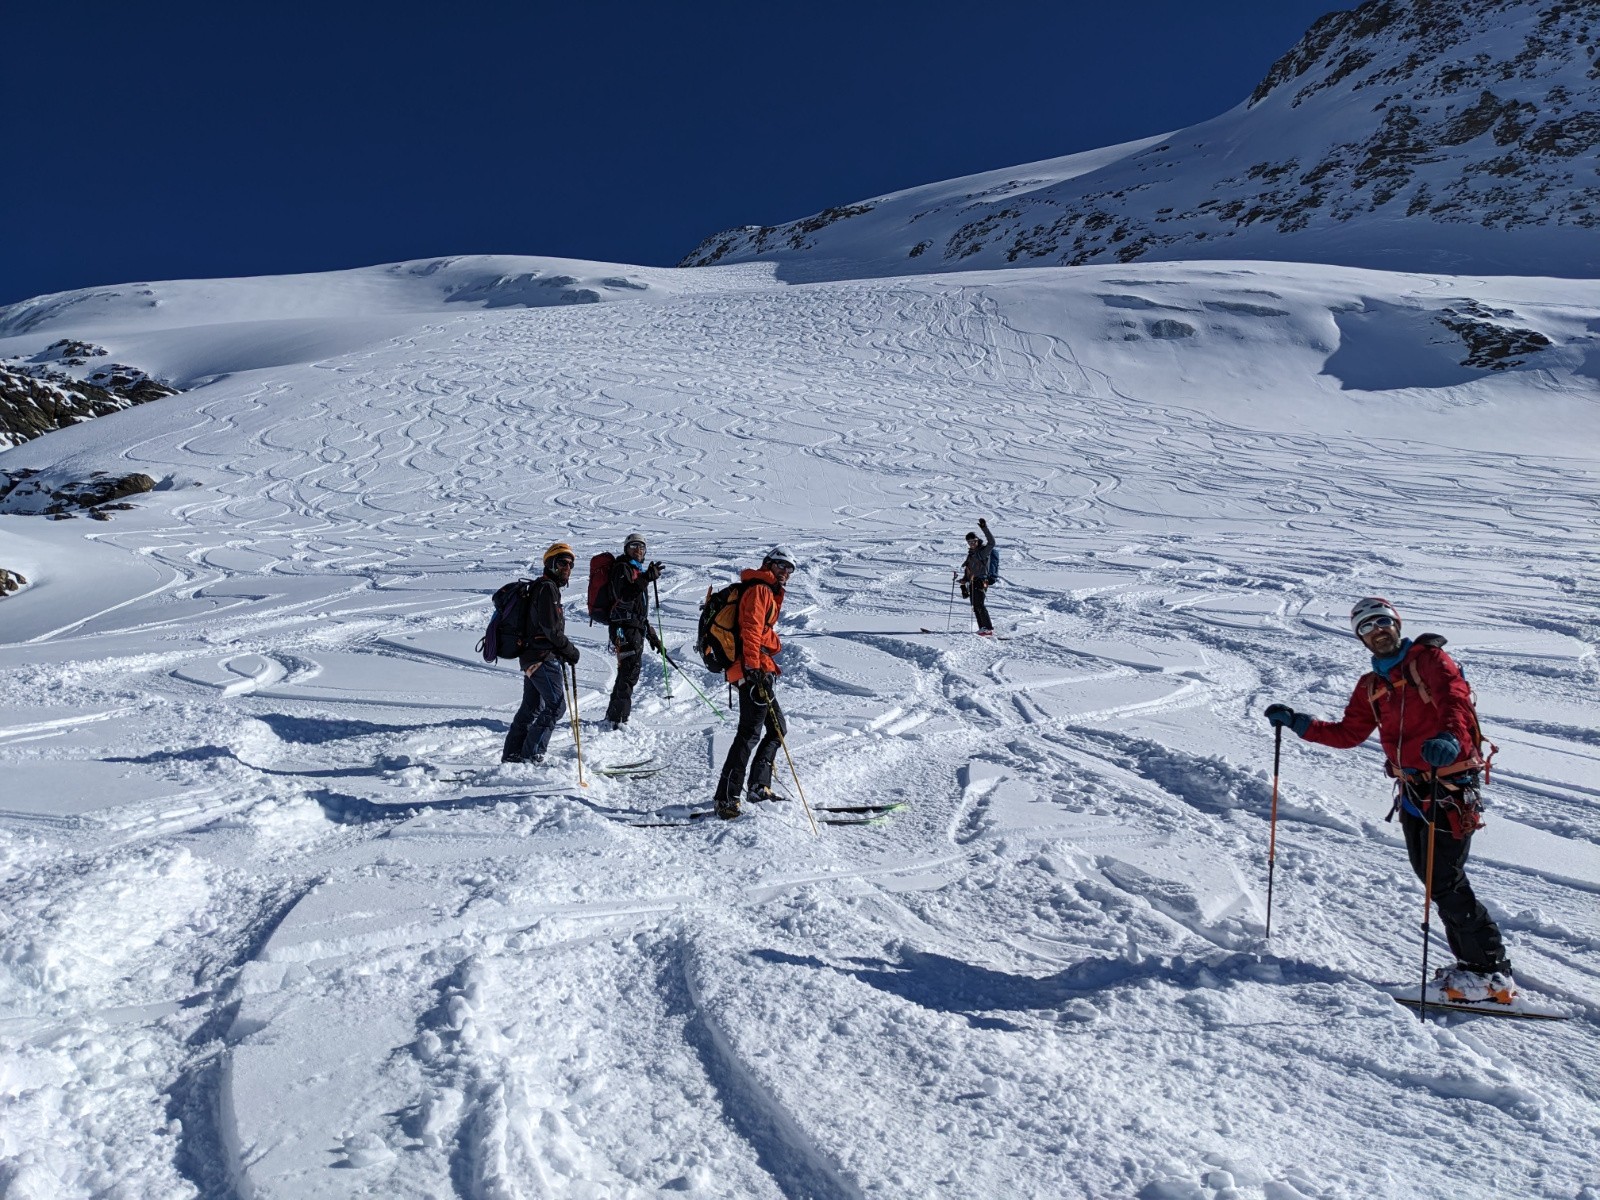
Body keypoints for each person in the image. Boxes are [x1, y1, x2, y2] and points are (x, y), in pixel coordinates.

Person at [1265, 597, 1513, 1003]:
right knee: (1434, 879)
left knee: (1445, 879)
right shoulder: (1372, 686)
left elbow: (1456, 699)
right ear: (1360, 638)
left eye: (1382, 621)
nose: (1376, 630)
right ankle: (1475, 968)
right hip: (1414, 790)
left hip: (1448, 785)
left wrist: (1450, 738)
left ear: (1396, 624)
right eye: (1366, 627)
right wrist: (1298, 723)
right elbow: (1348, 733)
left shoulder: (1429, 659)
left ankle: (1490, 972)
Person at [712, 548, 795, 820]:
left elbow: (760, 630)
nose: (785, 572)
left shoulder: (766, 590)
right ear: (768, 565)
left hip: (757, 668)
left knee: (777, 727)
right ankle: (726, 798)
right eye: (781, 566)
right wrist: (752, 667)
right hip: (752, 670)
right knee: (748, 734)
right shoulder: (760, 589)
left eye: (790, 568)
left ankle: (758, 786)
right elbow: (750, 628)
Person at [502, 542, 581, 764]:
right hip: (542, 658)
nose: (567, 567)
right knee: (556, 706)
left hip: (532, 657)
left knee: (532, 707)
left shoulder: (541, 587)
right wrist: (570, 651)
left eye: (570, 564)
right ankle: (531, 755)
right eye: (562, 563)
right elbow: (551, 630)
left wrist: (562, 650)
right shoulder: (547, 589)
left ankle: (513, 755)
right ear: (550, 564)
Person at [603, 534, 665, 730]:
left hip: (632, 629)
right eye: (634, 546)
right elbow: (625, 596)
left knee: (628, 672)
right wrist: (646, 578)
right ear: (626, 549)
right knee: (629, 672)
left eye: (642, 547)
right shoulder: (622, 569)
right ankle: (617, 720)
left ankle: (615, 717)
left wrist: (652, 637)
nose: (638, 550)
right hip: (623, 629)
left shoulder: (635, 571)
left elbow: (638, 612)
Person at [958, 517, 997, 636]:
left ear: (977, 540)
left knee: (980, 604)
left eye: (973, 541)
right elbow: (969, 569)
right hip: (972, 582)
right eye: (969, 542)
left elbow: (992, 543)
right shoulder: (971, 554)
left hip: (981, 581)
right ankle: (982, 628)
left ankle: (988, 628)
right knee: (975, 606)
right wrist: (964, 580)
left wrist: (984, 528)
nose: (972, 544)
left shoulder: (982, 552)